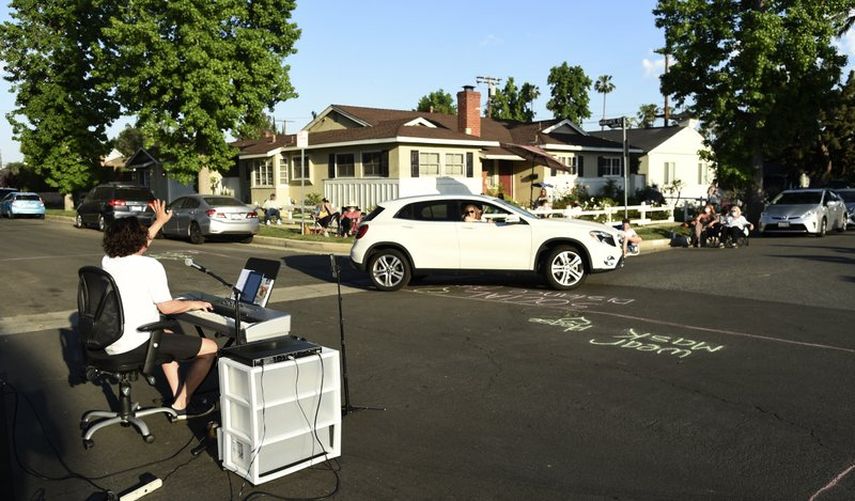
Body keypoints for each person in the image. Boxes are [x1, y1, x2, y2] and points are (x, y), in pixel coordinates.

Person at [100, 200, 218, 419]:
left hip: (111, 339)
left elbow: (138, 245)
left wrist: (160, 221)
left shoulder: (108, 261)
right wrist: (193, 304)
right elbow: (167, 307)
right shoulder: (149, 266)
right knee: (210, 348)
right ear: (139, 241)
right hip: (136, 343)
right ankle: (183, 402)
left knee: (168, 336)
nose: (147, 236)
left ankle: (177, 397)